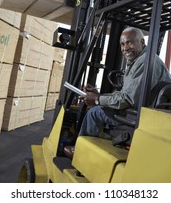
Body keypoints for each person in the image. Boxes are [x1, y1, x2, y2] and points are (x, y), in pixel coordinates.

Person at [64, 27, 171, 158]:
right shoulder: (139, 61)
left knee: (94, 112)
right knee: (101, 106)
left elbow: (126, 99)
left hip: (137, 116)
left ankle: (80, 152)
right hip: (142, 112)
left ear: (142, 42)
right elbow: (125, 94)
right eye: (122, 44)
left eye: (130, 42)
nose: (125, 48)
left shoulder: (145, 62)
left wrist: (97, 100)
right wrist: (99, 95)